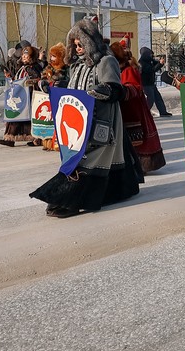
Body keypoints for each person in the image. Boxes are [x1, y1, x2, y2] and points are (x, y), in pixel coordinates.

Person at [30, 19, 143, 217]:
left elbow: (115, 88)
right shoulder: (77, 65)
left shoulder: (106, 61)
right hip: (79, 120)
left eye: (80, 43)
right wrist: (53, 88)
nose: (77, 47)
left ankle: (73, 198)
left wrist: (102, 91)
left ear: (90, 41)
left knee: (90, 159)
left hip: (102, 118)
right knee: (81, 158)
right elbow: (73, 88)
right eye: (74, 44)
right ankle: (116, 189)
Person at [110, 42, 167, 172]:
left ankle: (141, 165)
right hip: (126, 108)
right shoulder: (121, 70)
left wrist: (123, 91)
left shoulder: (128, 70)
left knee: (136, 140)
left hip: (133, 109)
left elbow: (134, 87)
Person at [0, 42, 43, 147]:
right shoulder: (22, 67)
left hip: (29, 96)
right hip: (20, 94)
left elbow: (37, 78)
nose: (24, 58)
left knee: (26, 118)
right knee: (15, 116)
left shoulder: (33, 67)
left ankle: (34, 137)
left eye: (26, 56)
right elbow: (19, 79)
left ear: (31, 57)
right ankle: (10, 138)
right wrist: (11, 77)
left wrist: (30, 82)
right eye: (23, 56)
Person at [139, 47, 172, 118]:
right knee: (151, 98)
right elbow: (151, 70)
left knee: (158, 98)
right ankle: (144, 113)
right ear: (146, 55)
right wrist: (159, 64)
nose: (152, 57)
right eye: (151, 55)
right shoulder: (142, 63)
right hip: (146, 84)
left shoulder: (149, 61)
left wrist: (161, 62)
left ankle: (163, 112)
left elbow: (155, 64)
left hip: (151, 83)